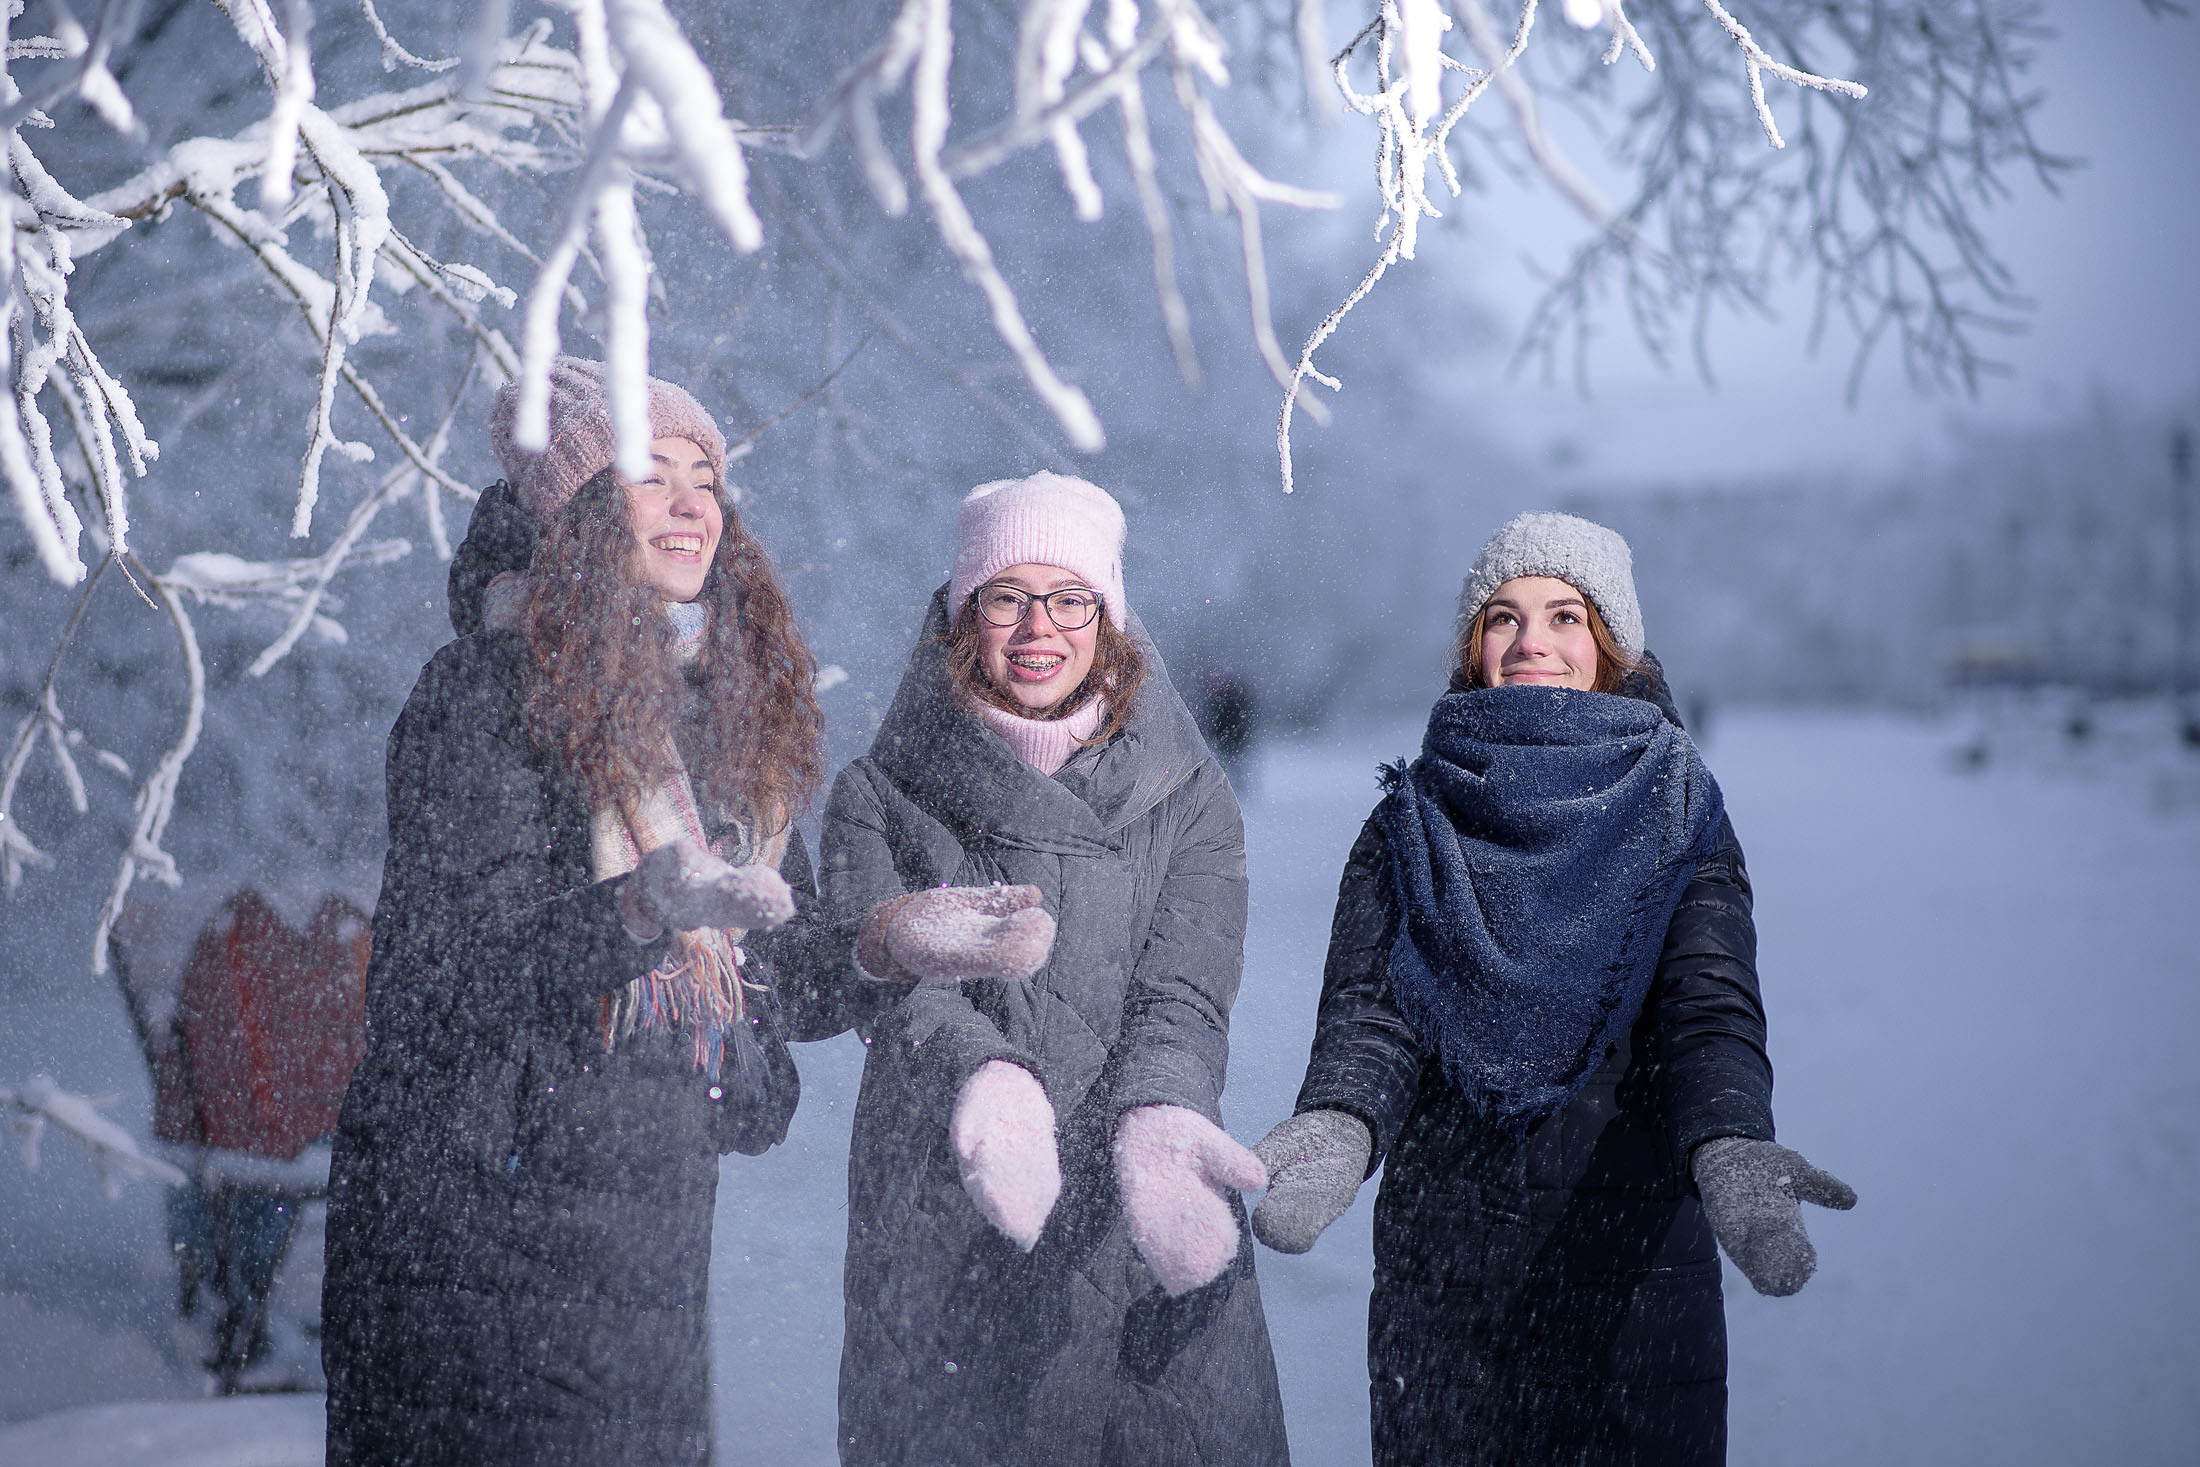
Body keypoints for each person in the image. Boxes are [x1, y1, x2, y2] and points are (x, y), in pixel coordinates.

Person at [321, 359, 884, 1466]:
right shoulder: (481, 694)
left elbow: (778, 964)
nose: (690, 505)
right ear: (578, 512)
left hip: (643, 1226)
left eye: (706, 479)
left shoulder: (721, 709)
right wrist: (629, 914)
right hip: (474, 1231)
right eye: (649, 476)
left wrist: (890, 944)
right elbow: (442, 978)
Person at [1250, 512, 1855, 1466]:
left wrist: (1734, 1139)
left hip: (1633, 1266)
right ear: (1471, 646)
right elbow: (1375, 1012)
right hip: (1445, 1275)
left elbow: (1707, 1009)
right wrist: (1339, 1121)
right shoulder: (1408, 819)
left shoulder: (1680, 808)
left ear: (1612, 643)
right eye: (1503, 617)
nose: (1532, 640)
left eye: (1565, 615)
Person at [819, 472, 1292, 1467]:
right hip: (942, 1193)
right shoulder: (878, 793)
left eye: (1069, 597)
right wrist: (984, 1074)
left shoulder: (1191, 797)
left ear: (1107, 616)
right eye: (1005, 596)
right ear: (962, 617)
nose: (1039, 626)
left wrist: (1163, 1111)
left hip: (1136, 1192)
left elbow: (1186, 994)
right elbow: (890, 980)